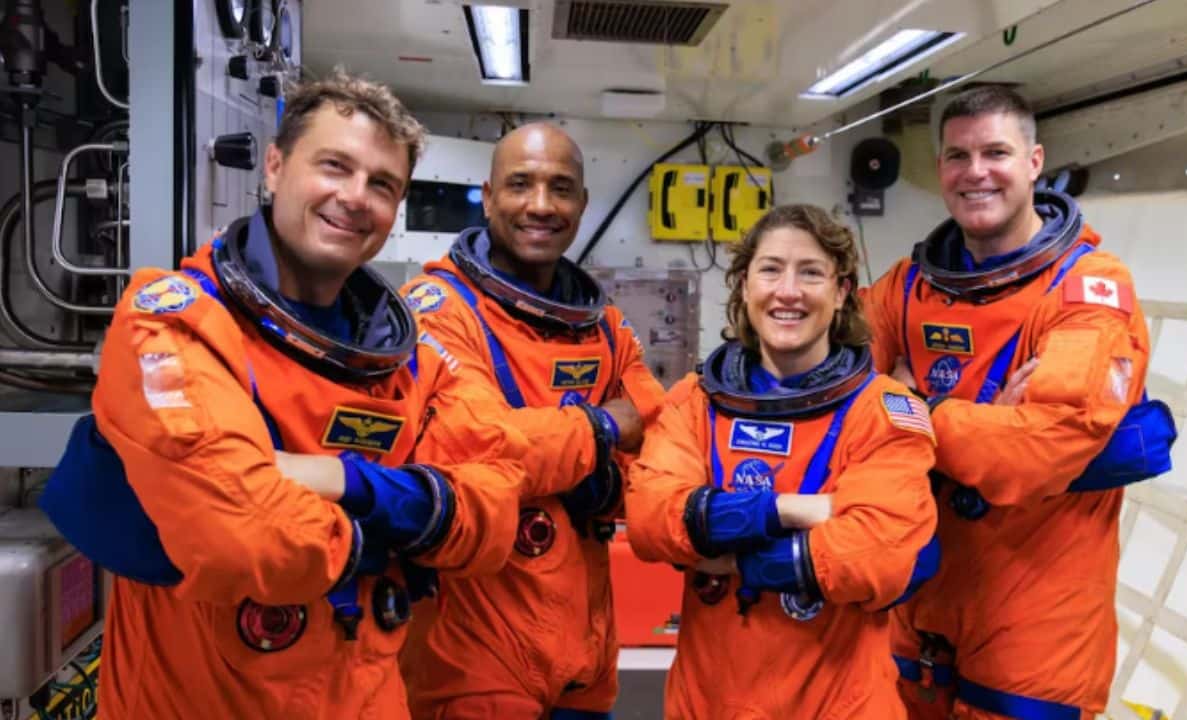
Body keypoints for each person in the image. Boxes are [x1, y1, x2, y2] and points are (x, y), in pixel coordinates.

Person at [38, 72, 526, 719]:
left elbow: (494, 510)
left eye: (382, 184)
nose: (355, 197)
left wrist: (345, 482)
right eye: (334, 166)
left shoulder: (411, 359)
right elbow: (243, 535)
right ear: (274, 166)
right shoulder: (175, 321)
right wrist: (400, 527)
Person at [861, 85, 1172, 719]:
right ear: (940, 169)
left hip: (1037, 620)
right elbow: (836, 410)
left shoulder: (1088, 289)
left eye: (995, 152)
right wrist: (990, 422)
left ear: (1034, 162)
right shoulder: (905, 288)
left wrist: (915, 407)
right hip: (915, 603)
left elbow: (1039, 449)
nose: (975, 172)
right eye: (957, 156)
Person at [625, 204, 939, 719]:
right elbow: (650, 519)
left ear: (841, 292)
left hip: (837, 705)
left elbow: (877, 555)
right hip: (709, 702)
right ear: (745, 285)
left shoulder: (882, 411)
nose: (788, 291)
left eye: (810, 272)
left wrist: (734, 559)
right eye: (770, 269)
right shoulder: (695, 402)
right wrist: (792, 510)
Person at [396, 122, 666, 719]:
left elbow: (659, 441)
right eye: (520, 184)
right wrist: (602, 430)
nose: (541, 205)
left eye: (560, 188)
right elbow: (481, 450)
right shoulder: (440, 312)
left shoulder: (604, 327)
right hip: (473, 658)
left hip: (586, 660)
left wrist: (604, 479)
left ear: (582, 204)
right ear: (489, 197)